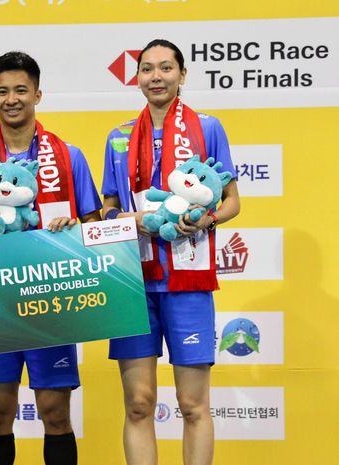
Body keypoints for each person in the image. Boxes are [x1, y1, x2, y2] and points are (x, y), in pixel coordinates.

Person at [101, 39, 241, 465]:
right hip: (132, 279)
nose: (155, 77)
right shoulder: (119, 137)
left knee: (193, 404)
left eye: (165, 68)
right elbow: (106, 208)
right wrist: (130, 219)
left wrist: (207, 219)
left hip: (188, 280)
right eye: (147, 69)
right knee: (139, 403)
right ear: (137, 77)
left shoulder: (209, 128)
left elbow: (232, 201)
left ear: (182, 75)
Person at [0, 51, 102, 465]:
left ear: (37, 94)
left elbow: (93, 226)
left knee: (56, 415)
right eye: (2, 91)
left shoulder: (69, 156)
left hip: (51, 299)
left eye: (20, 90)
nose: (12, 99)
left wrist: (72, 228)